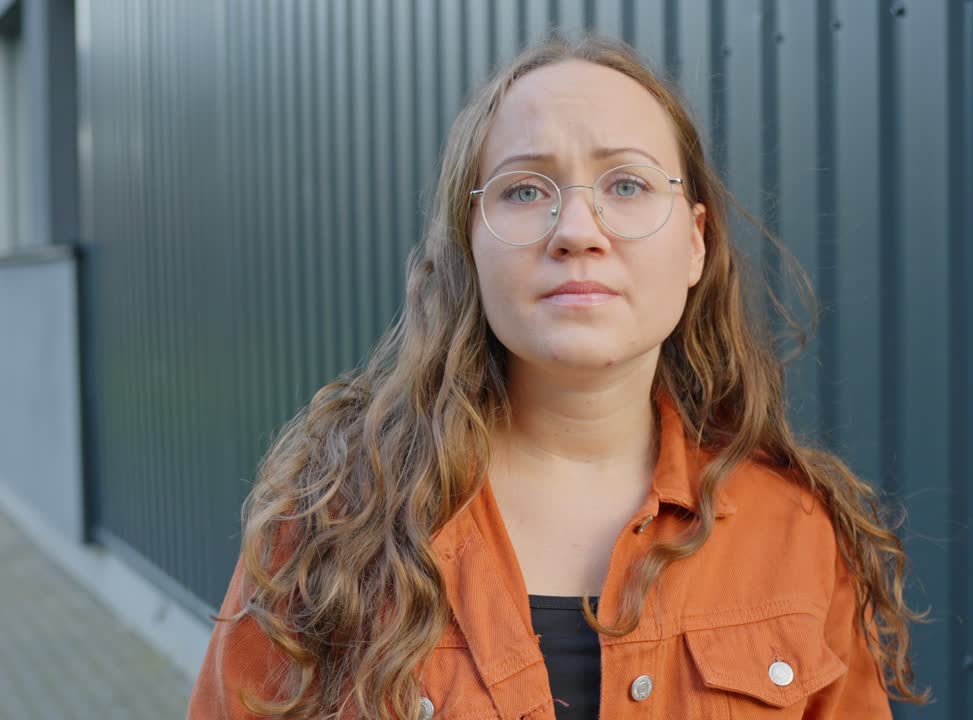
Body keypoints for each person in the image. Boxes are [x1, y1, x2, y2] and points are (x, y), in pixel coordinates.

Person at [187, 32, 927, 720]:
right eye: (525, 190)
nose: (577, 231)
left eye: (628, 186)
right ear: (469, 246)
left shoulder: (792, 530)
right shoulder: (331, 521)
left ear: (696, 244)